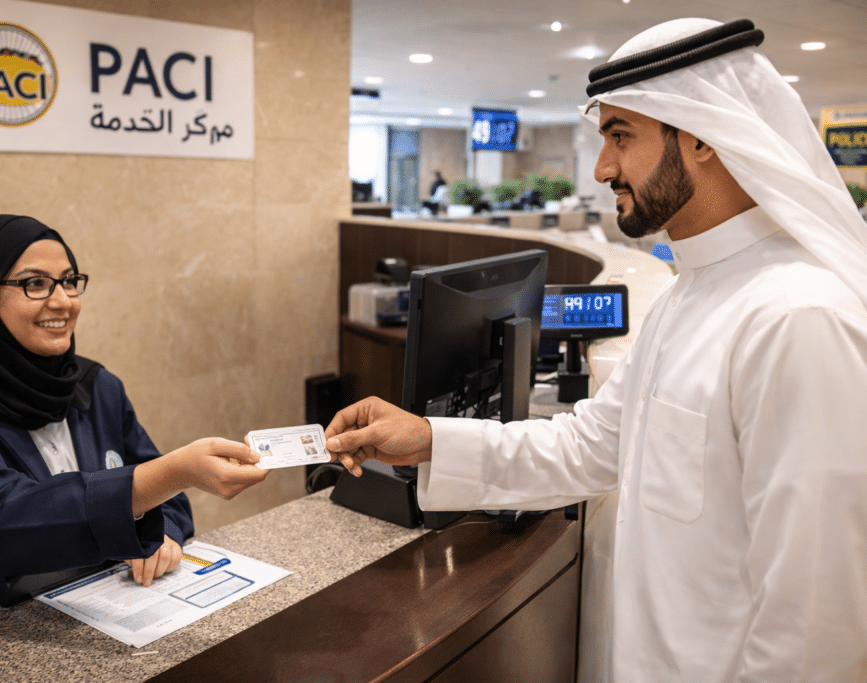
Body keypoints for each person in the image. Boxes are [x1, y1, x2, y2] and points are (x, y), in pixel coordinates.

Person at [325, 18, 867, 683]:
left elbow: (818, 629)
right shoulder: (685, 295)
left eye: (620, 136)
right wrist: (431, 437)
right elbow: (588, 448)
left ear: (700, 135)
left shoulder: (797, 318)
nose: (602, 167)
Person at [0, 215, 268, 643]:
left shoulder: (95, 386)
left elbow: (167, 497)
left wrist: (164, 532)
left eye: (69, 281)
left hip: (90, 609)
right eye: (35, 284)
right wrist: (168, 476)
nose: (63, 301)